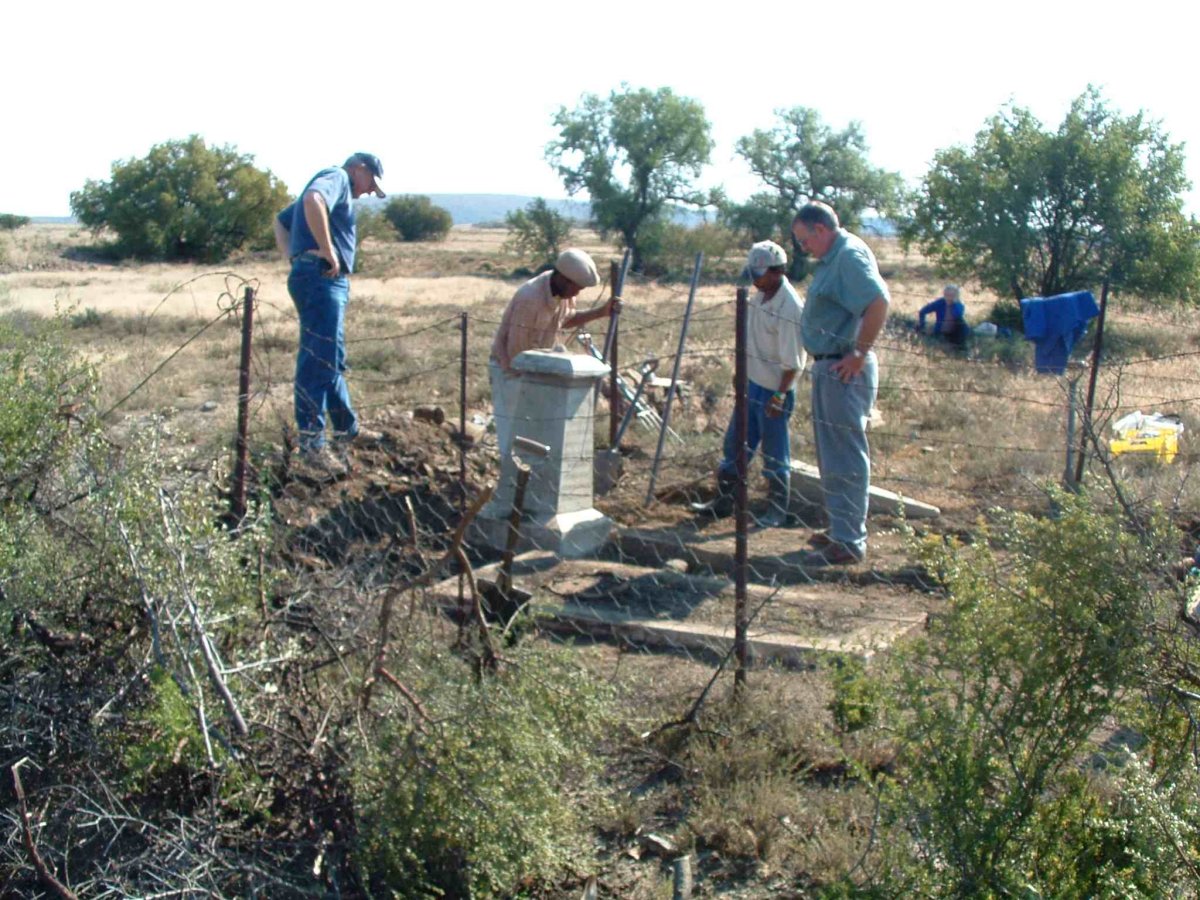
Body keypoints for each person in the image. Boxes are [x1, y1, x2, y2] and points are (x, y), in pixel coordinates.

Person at [274, 153, 387, 477]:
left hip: (318, 276)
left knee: (331, 357)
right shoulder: (336, 176)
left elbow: (281, 222)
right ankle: (312, 444)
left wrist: (293, 257)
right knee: (317, 360)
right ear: (359, 168)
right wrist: (325, 249)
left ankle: (346, 428)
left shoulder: (338, 185)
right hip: (322, 277)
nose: (367, 192)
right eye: (371, 184)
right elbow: (313, 199)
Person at [792, 201, 890, 565]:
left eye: (804, 240)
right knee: (832, 454)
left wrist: (859, 354)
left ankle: (850, 541)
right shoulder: (836, 257)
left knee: (845, 455)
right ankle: (840, 529)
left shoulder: (848, 256)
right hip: (830, 366)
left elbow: (878, 302)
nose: (804, 249)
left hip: (842, 369)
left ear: (821, 230)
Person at [692, 240, 805, 527]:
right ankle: (724, 501)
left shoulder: (789, 306)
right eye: (753, 273)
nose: (755, 280)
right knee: (736, 444)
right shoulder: (758, 298)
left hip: (776, 390)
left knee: (775, 453)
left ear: (777, 271)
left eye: (761, 274)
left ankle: (776, 511)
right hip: (752, 384)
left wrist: (779, 396)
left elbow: (793, 362)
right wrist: (740, 372)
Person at [488, 249, 620, 458]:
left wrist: (601, 312)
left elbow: (564, 320)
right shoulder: (530, 299)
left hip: (537, 371)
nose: (577, 294)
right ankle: (511, 484)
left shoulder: (562, 294)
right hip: (512, 374)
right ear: (563, 279)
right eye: (576, 288)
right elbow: (517, 355)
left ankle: (531, 482)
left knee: (537, 437)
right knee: (514, 437)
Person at [918, 284, 969, 349]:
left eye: (951, 295)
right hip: (940, 331)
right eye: (946, 295)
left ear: (956, 296)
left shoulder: (959, 305)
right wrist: (922, 325)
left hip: (954, 332)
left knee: (961, 323)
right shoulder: (940, 303)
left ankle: (960, 346)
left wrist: (952, 304)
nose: (948, 298)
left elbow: (957, 314)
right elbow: (923, 311)